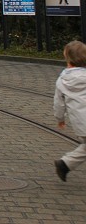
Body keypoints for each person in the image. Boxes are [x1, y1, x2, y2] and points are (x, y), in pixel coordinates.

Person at [54, 40, 86, 181]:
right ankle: (65, 164)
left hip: (80, 124)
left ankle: (65, 164)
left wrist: (60, 119)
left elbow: (58, 104)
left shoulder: (62, 80)